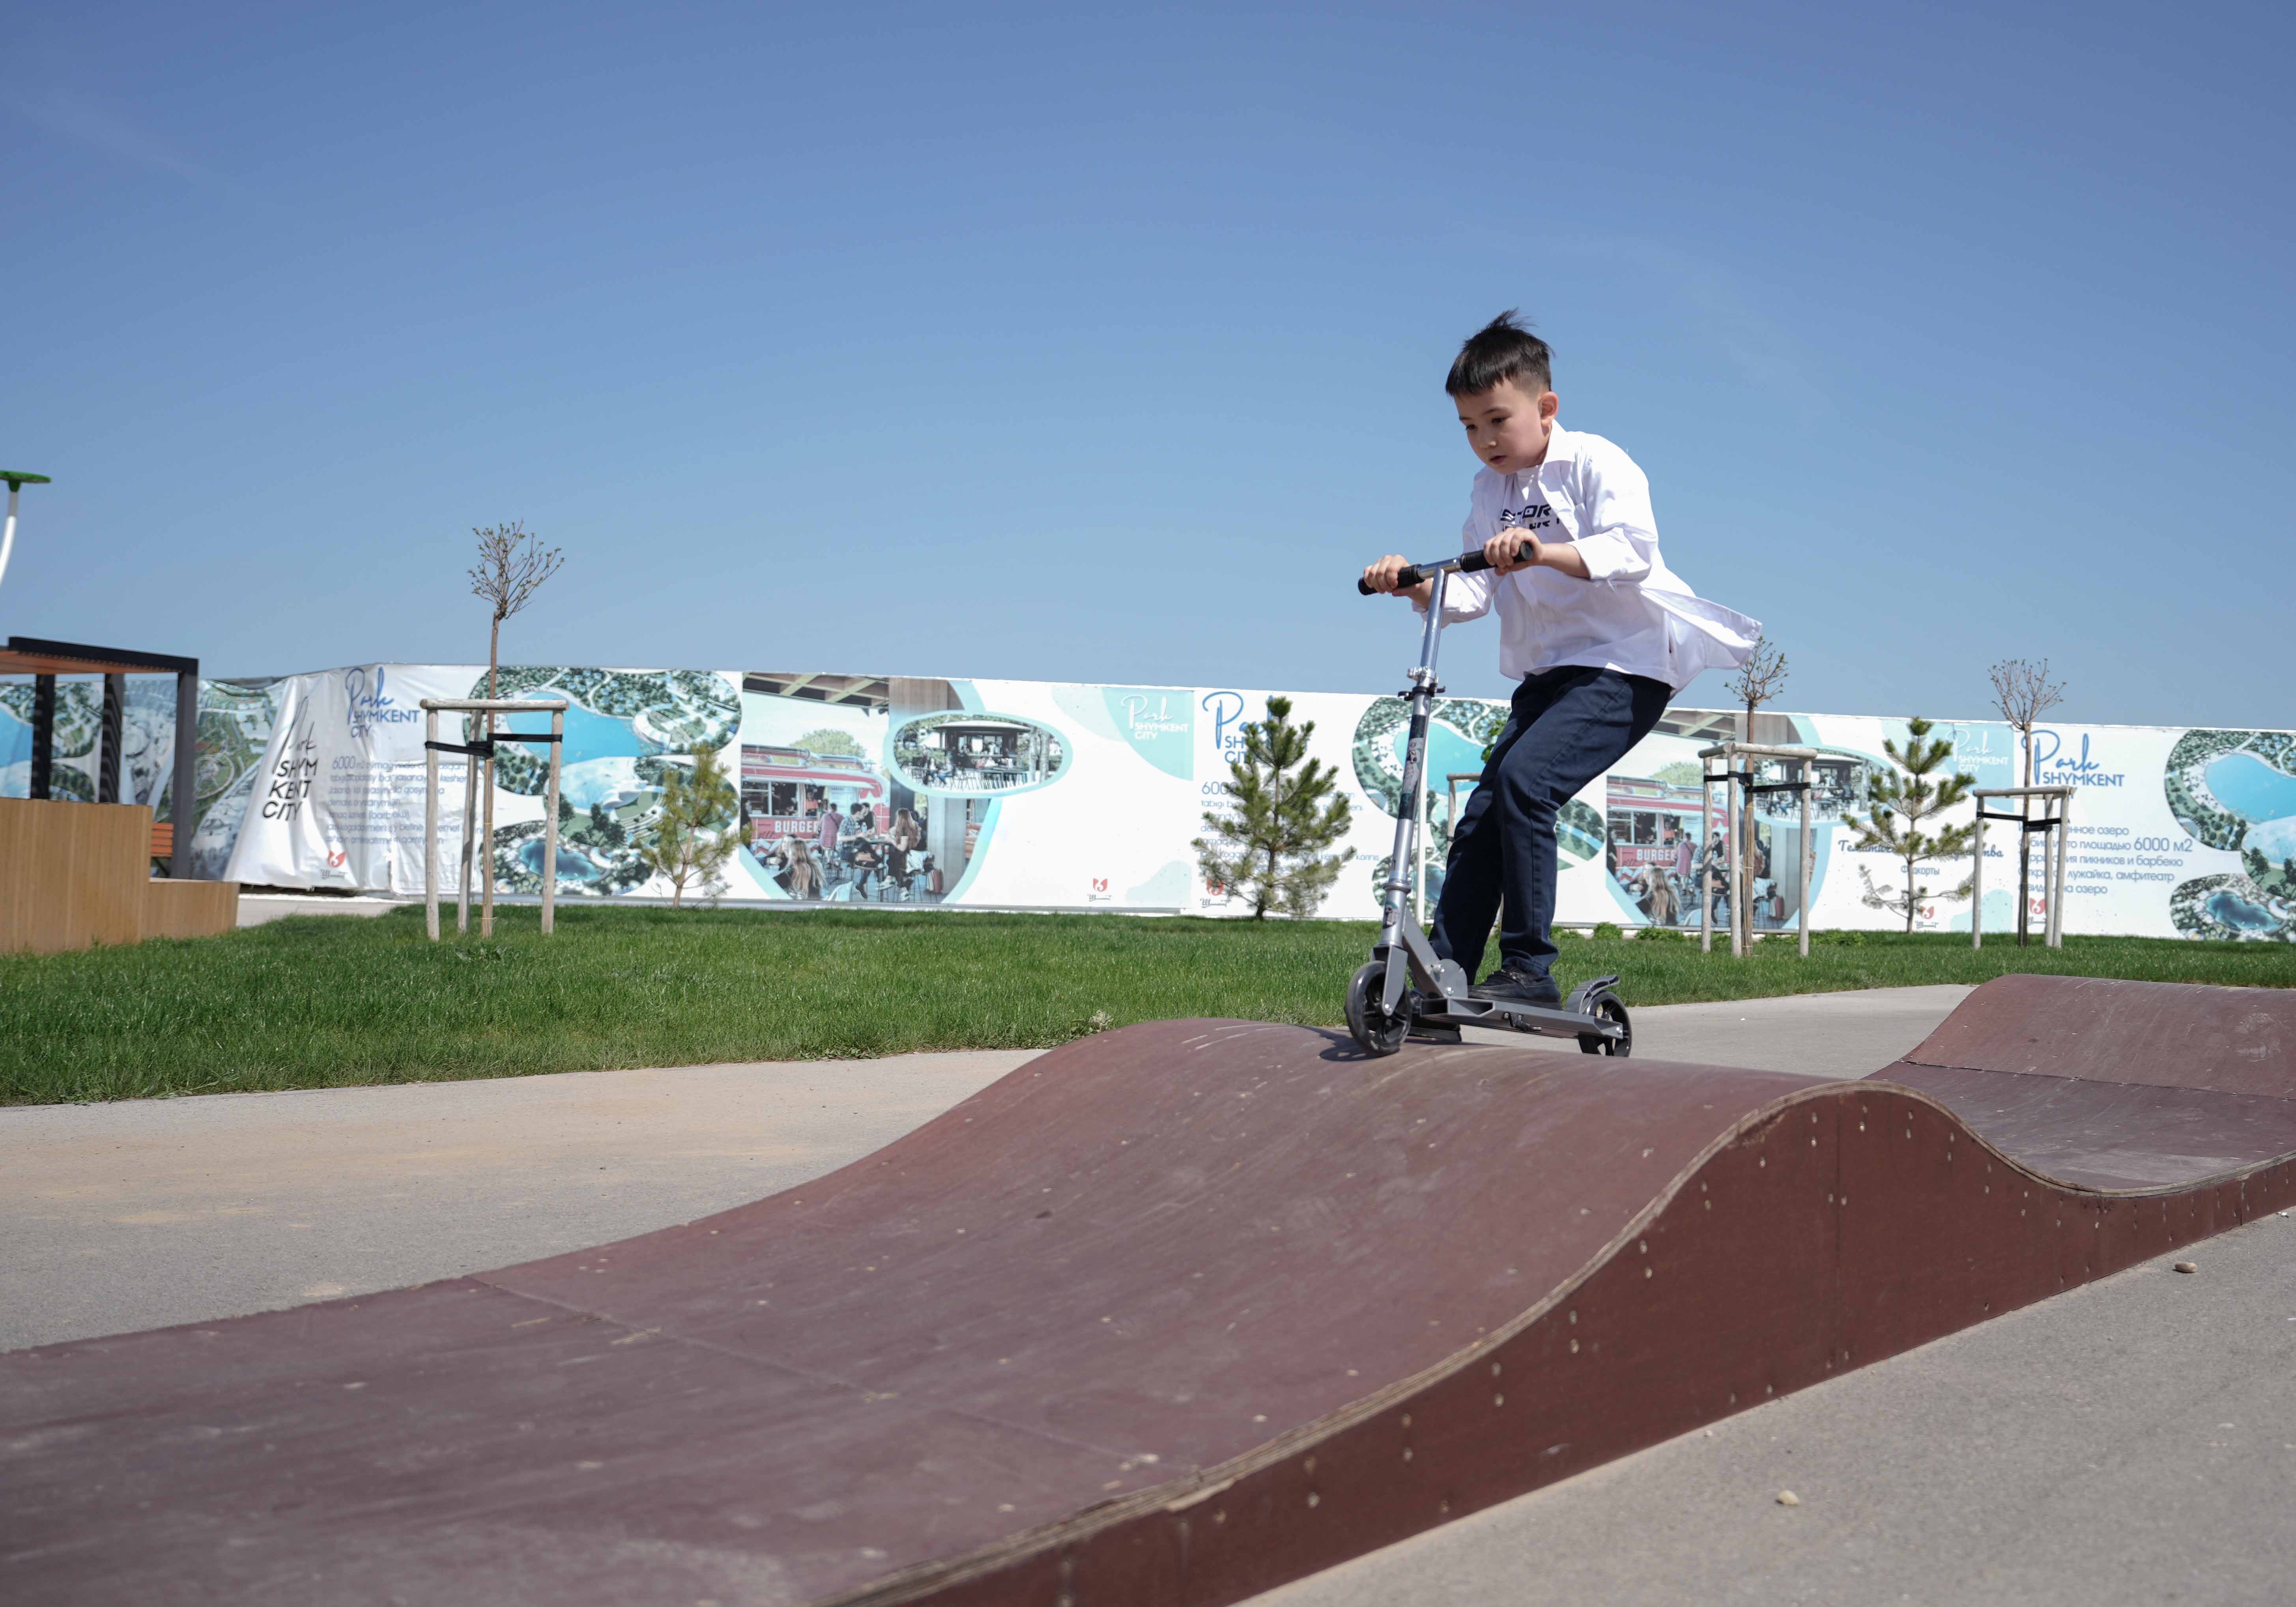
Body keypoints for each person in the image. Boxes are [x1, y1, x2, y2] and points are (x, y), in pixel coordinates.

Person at [1363, 311, 1758, 1006]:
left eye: (1497, 420)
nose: (1485, 440)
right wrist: (1412, 583)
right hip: (1550, 675)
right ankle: (1441, 976)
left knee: (1527, 782)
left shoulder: (1596, 463)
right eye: (1469, 427)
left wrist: (1540, 550)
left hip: (1628, 666)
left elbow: (1633, 551)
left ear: (1546, 408)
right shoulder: (1490, 492)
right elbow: (1471, 593)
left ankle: (1529, 970)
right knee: (1481, 818)